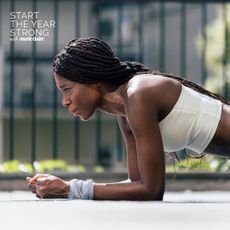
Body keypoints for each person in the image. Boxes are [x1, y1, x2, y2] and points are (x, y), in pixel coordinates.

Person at [26, 37, 230, 201]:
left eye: (67, 89)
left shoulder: (139, 94)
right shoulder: (125, 113)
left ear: (93, 80)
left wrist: (71, 189)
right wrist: (68, 187)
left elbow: (152, 191)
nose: (65, 101)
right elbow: (137, 184)